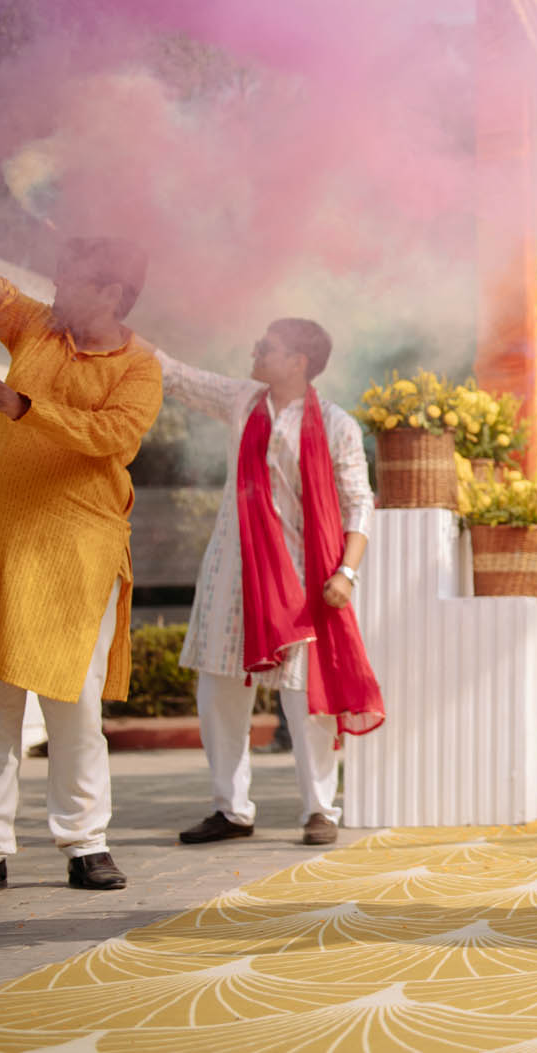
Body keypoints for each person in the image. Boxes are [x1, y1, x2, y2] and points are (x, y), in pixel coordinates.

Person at [0, 227, 161, 903]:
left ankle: (86, 842)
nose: (56, 286)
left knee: (72, 702)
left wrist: (26, 406)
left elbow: (114, 435)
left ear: (112, 291)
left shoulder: (139, 365)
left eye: (71, 277)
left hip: (73, 552)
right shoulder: (35, 326)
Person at [155, 319, 382, 849]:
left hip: (301, 578)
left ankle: (320, 810)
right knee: (218, 691)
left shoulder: (336, 424)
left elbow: (358, 503)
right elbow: (177, 376)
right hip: (232, 571)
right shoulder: (243, 401)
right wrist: (114, 334)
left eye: (268, 347)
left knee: (303, 698)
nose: (255, 352)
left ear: (298, 361)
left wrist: (346, 573)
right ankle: (230, 809)